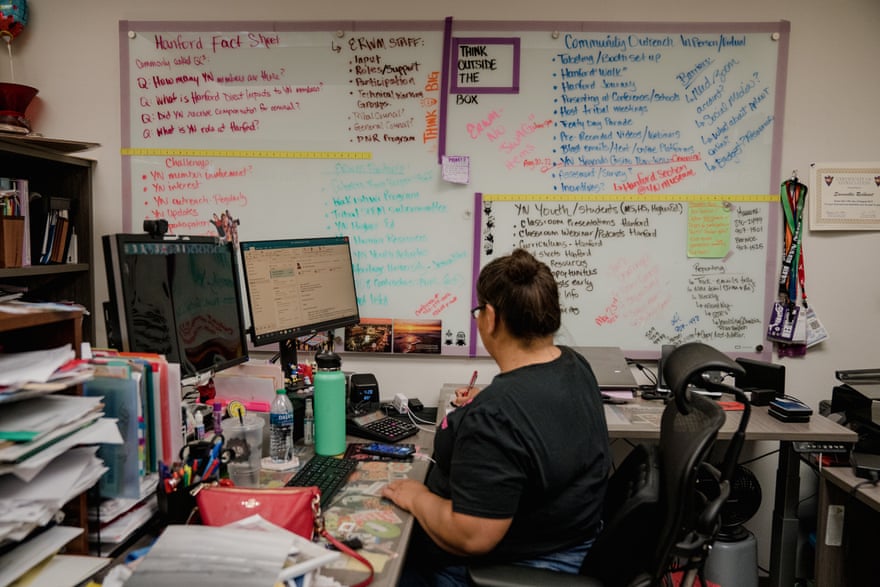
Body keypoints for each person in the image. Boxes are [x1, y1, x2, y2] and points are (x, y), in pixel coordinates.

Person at [382, 248, 611, 587]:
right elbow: (535, 415)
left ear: (490, 317)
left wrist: (416, 496)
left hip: (509, 567)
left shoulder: (497, 416)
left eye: (477, 311)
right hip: (569, 542)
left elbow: (472, 536)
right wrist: (489, 400)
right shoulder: (574, 365)